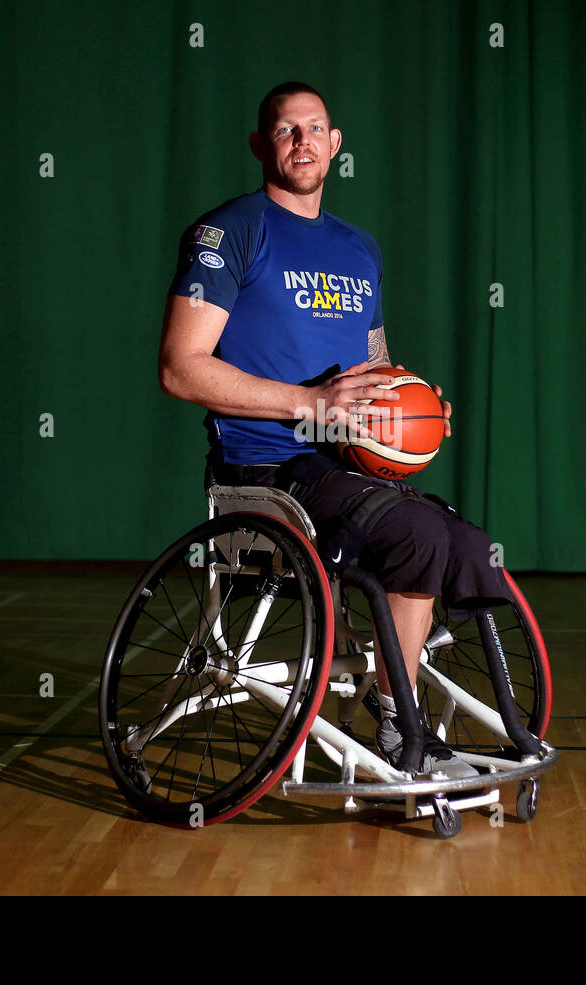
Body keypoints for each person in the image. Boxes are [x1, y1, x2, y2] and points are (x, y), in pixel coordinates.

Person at [158, 82, 517, 778]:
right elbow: (180, 368)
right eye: (286, 130)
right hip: (262, 472)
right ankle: (399, 722)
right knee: (412, 534)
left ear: (335, 145)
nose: (302, 141)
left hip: (343, 470)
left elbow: (375, 369)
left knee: (465, 538)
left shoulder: (361, 249)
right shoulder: (229, 231)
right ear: (262, 145)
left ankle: (399, 707)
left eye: (315, 128)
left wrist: (413, 408)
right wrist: (307, 401)